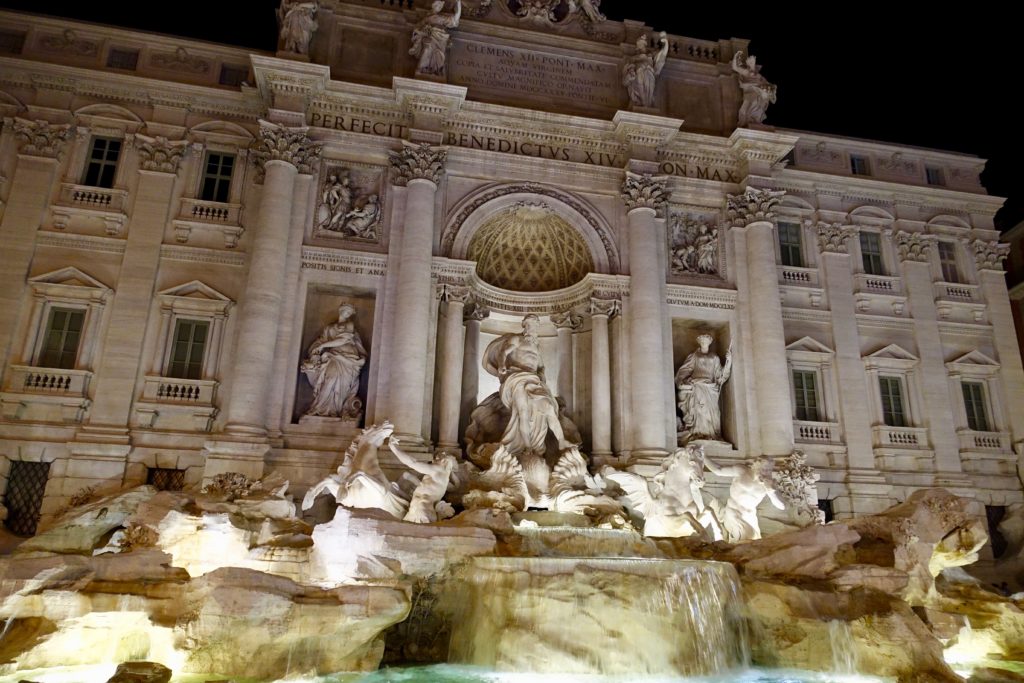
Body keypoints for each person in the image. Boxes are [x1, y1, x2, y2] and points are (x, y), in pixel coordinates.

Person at [482, 314, 576, 456]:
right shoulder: (516, 339)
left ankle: (561, 441)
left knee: (549, 408)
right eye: (530, 325)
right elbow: (503, 352)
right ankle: (527, 447)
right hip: (517, 378)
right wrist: (501, 365)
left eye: (535, 326)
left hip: (534, 380)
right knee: (523, 412)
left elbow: (541, 366)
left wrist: (542, 377)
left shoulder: (536, 347)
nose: (533, 329)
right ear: (524, 325)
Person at [301, 304, 367, 418]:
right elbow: (320, 341)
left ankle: (337, 410)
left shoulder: (349, 324)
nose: (347, 314)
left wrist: (323, 346)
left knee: (341, 384)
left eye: (350, 313)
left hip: (348, 358)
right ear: (340, 310)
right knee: (330, 378)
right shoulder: (329, 328)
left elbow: (343, 339)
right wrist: (315, 350)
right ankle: (321, 408)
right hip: (333, 357)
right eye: (346, 311)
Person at [704, 455, 784, 542]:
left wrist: (771, 492)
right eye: (763, 469)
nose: (766, 473)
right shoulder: (742, 471)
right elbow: (718, 470)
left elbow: (781, 506)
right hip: (733, 511)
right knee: (745, 541)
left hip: (749, 516)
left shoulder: (770, 484)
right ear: (756, 465)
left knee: (753, 542)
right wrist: (703, 457)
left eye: (769, 470)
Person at [676, 334, 732, 443]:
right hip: (698, 386)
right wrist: (683, 381)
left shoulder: (714, 357)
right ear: (699, 343)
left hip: (711, 389)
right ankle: (699, 434)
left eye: (706, 341)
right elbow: (684, 371)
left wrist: (729, 361)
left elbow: (720, 376)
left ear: (709, 343)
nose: (704, 343)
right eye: (702, 341)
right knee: (700, 410)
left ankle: (711, 434)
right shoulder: (694, 356)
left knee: (713, 413)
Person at [389, 437, 457, 523]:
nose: (433, 460)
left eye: (437, 458)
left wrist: (395, 448)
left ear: (444, 461)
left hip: (422, 510)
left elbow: (413, 463)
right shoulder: (443, 477)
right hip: (417, 509)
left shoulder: (439, 470)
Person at [410, 0, 462, 76]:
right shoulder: (427, 19)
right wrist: (422, 31)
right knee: (427, 50)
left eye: (440, 6)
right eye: (438, 5)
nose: (439, 7)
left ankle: (436, 70)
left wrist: (458, 3)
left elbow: (455, 19)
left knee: (439, 54)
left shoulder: (441, 18)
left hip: (441, 39)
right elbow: (417, 28)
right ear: (433, 6)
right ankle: (421, 69)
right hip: (430, 37)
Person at [622, 32, 669, 108]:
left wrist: (666, 43)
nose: (641, 47)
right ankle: (643, 103)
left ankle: (646, 104)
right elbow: (625, 79)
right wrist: (630, 75)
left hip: (649, 76)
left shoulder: (651, 57)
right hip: (638, 77)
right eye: (640, 45)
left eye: (643, 45)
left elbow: (662, 56)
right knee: (640, 77)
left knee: (647, 95)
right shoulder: (632, 59)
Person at [731, 51, 777, 127]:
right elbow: (735, 67)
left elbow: (767, 84)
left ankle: (755, 121)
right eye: (751, 60)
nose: (752, 61)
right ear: (748, 62)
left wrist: (770, 89)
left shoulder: (759, 75)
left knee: (759, 106)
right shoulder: (746, 71)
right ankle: (747, 121)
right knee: (749, 106)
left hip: (759, 93)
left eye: (753, 60)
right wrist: (736, 56)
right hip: (750, 92)